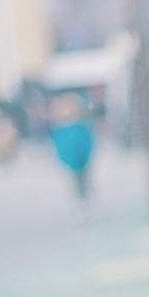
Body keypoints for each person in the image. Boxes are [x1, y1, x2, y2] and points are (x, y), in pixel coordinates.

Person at [47, 93, 95, 221]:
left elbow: (87, 142)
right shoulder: (63, 128)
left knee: (83, 181)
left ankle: (83, 203)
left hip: (82, 160)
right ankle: (81, 204)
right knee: (77, 182)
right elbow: (59, 145)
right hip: (73, 161)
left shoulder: (79, 126)